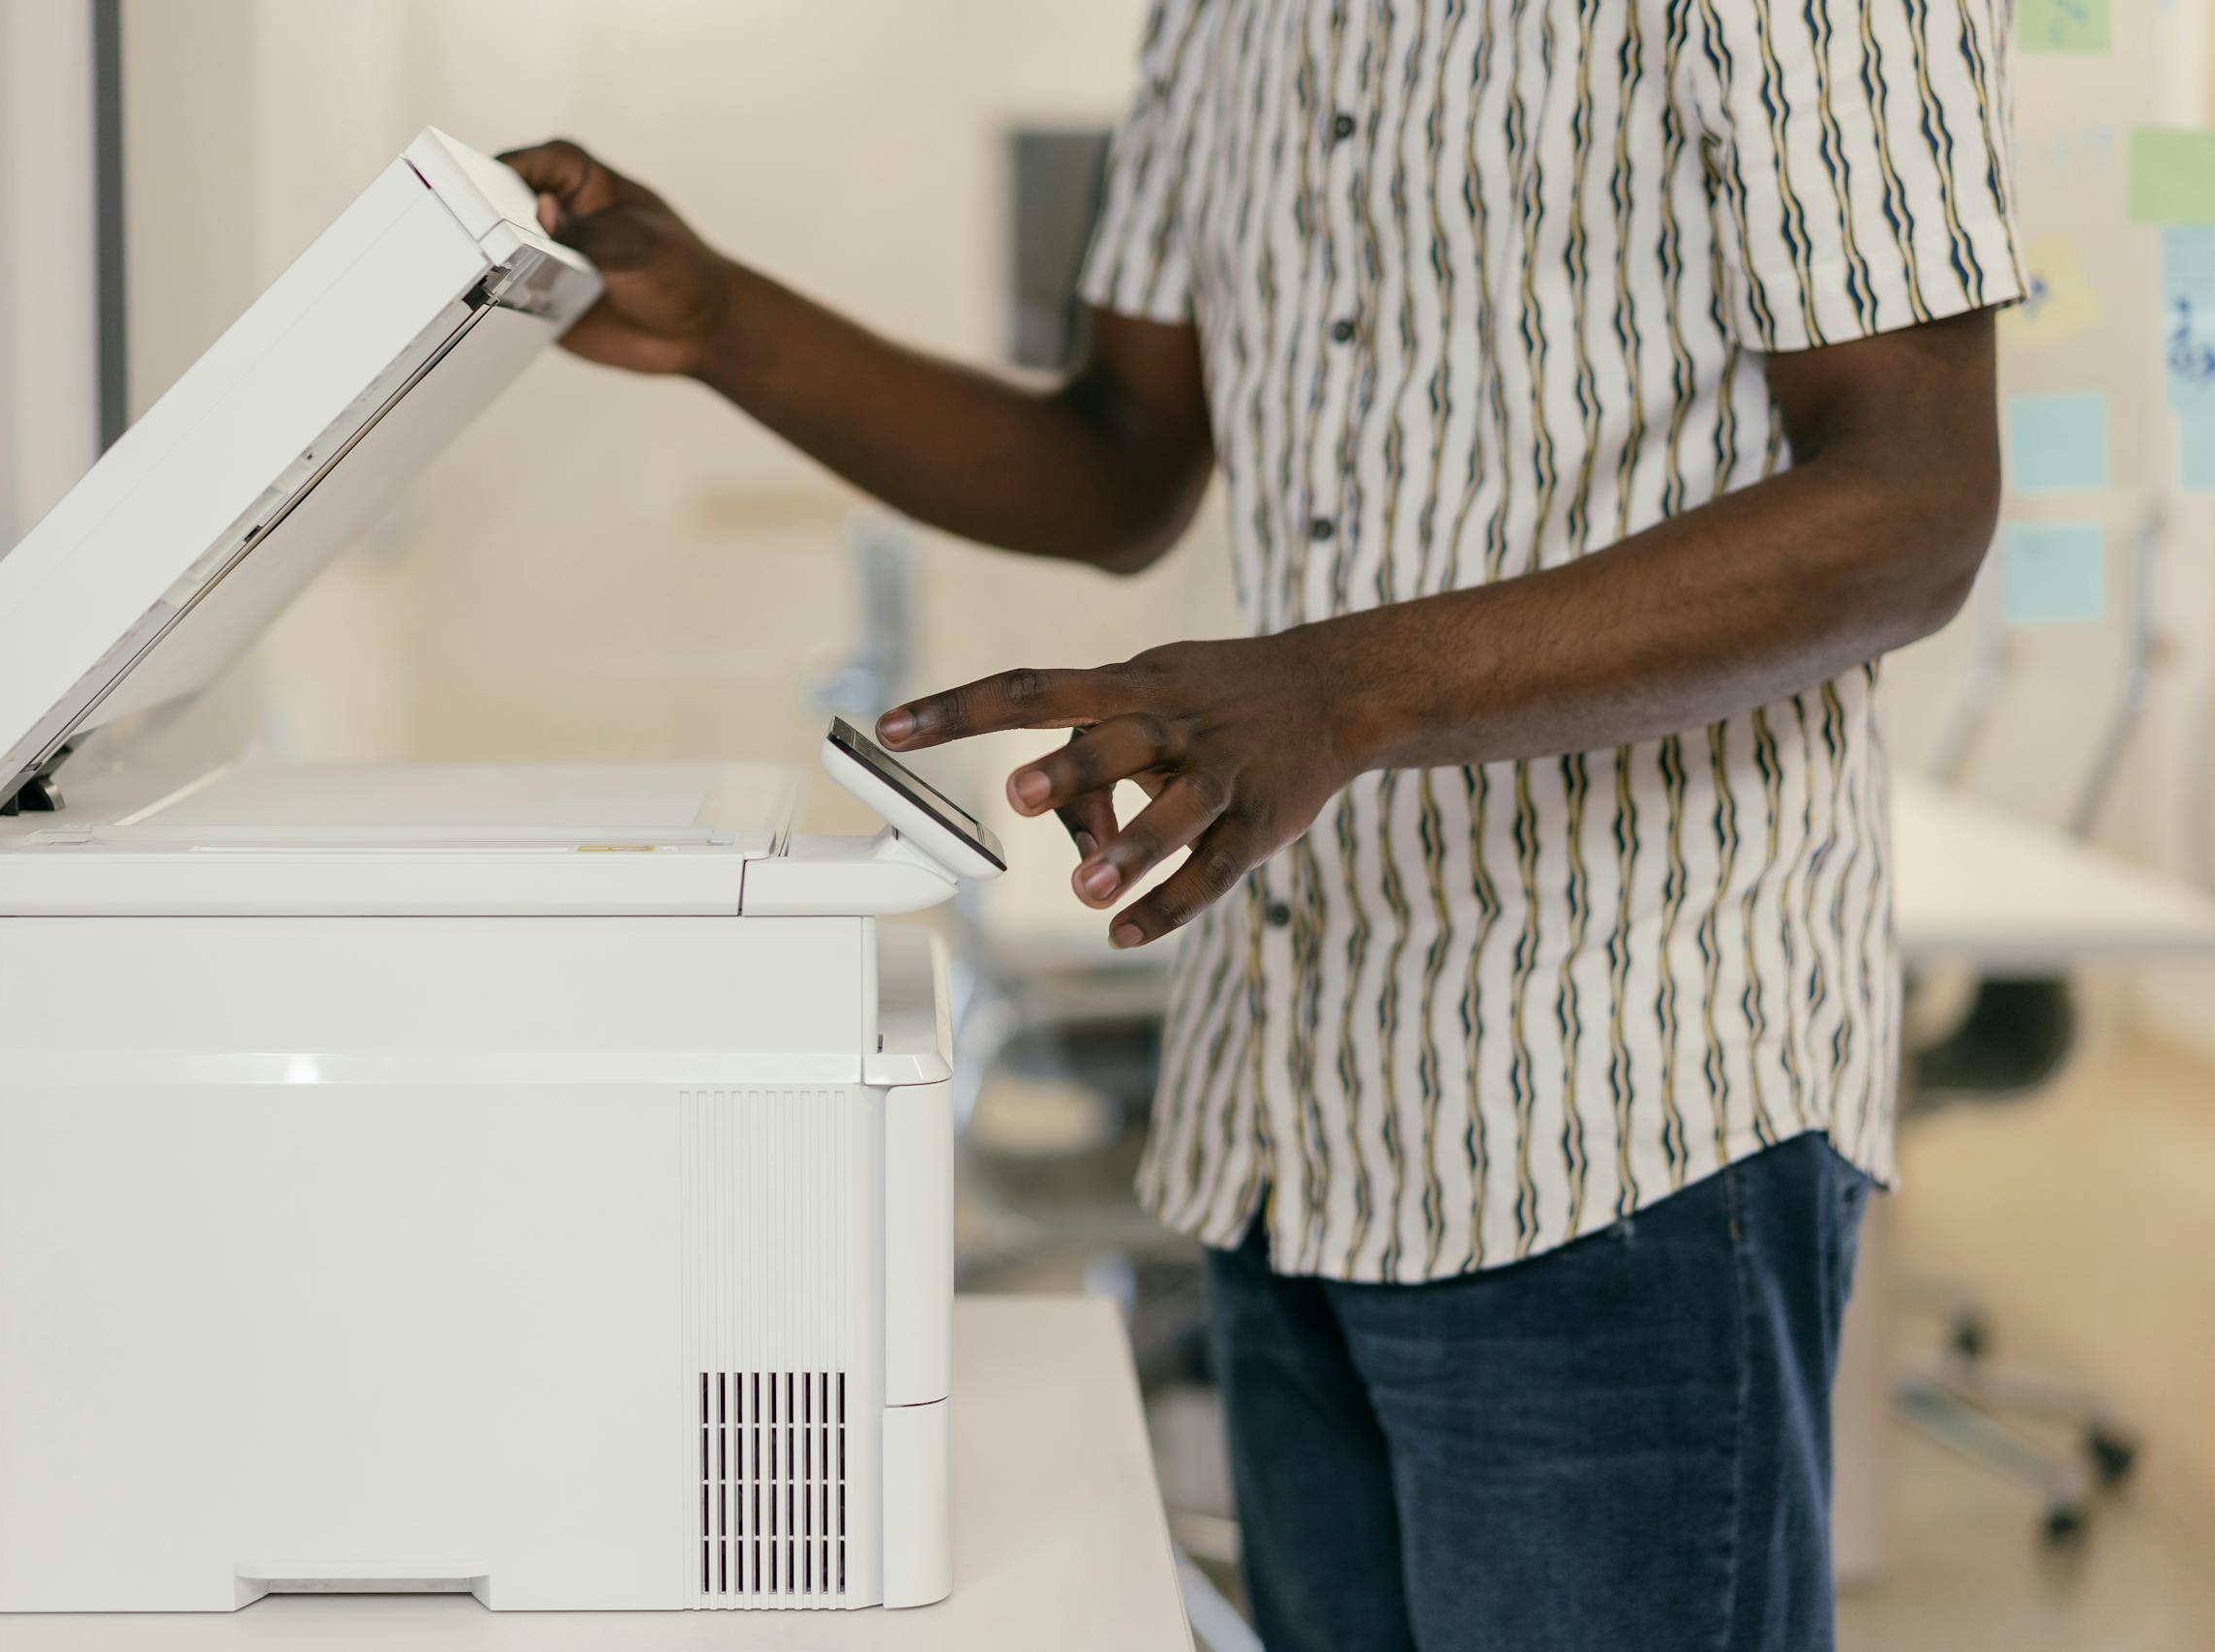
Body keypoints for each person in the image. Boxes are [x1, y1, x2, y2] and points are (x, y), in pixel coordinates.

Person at [504, 1, 2020, 1643]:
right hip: (1294, 1103)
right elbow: (1118, 458)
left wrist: (1339, 689)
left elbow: (1910, 506)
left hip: (1629, 1099)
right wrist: (726, 321)